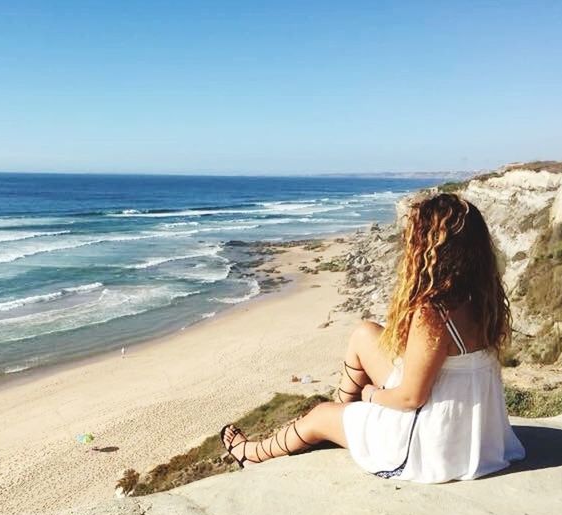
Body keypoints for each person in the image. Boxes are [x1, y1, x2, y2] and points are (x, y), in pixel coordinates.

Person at [220, 193, 525, 484]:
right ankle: (344, 419)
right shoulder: (482, 296)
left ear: (431, 249)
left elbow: (410, 398)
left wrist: (370, 396)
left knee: (318, 415)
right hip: (462, 422)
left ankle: (250, 453)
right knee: (364, 334)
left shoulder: (434, 311)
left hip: (430, 441)